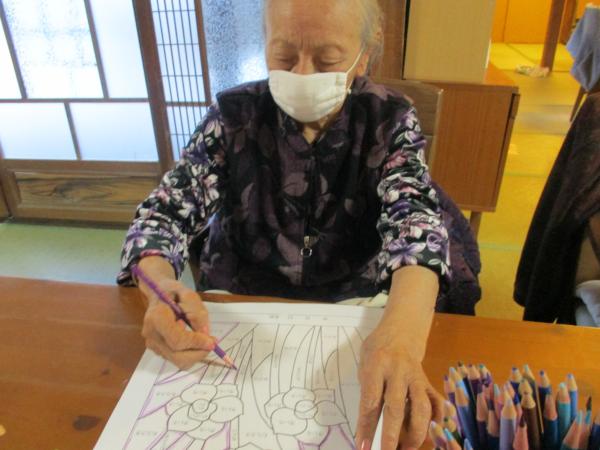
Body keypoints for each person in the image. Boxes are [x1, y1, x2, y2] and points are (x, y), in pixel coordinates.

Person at [118, 0, 451, 448]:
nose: (303, 74)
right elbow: (161, 216)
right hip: (239, 309)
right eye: (284, 55)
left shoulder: (389, 119)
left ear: (364, 56)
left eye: (327, 59)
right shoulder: (233, 116)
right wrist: (160, 286)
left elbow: (416, 223)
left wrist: (403, 338)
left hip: (351, 310)